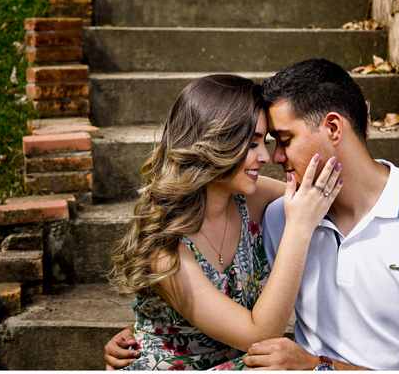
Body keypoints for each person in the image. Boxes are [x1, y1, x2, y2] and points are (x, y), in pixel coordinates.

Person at [107, 60, 399, 370]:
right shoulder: (282, 214)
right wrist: (154, 328)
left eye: (281, 140)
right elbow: (224, 313)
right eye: (256, 143)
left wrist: (319, 367)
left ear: (334, 127)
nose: (272, 158)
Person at [107, 74, 344, 370]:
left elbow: (322, 198)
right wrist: (298, 228)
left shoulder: (251, 200)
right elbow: (261, 335)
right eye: (253, 143)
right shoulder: (163, 250)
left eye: (265, 142)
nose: (266, 157)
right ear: (215, 143)